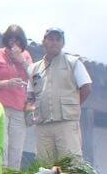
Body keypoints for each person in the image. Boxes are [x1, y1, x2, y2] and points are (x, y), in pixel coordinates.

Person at [27, 28, 93, 162]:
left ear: (63, 43)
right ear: (44, 42)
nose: (54, 42)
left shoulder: (73, 62)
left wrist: (72, 106)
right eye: (51, 39)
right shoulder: (33, 68)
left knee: (71, 165)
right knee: (43, 166)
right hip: (42, 126)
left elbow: (86, 87)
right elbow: (30, 95)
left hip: (66, 123)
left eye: (58, 40)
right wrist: (30, 114)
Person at [0, 25, 33, 169]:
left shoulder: (26, 56)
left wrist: (21, 60)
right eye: (11, 41)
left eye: (18, 41)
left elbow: (35, 78)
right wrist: (6, 83)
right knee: (1, 147)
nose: (14, 45)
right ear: (6, 41)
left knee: (16, 151)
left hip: (19, 110)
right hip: (0, 108)